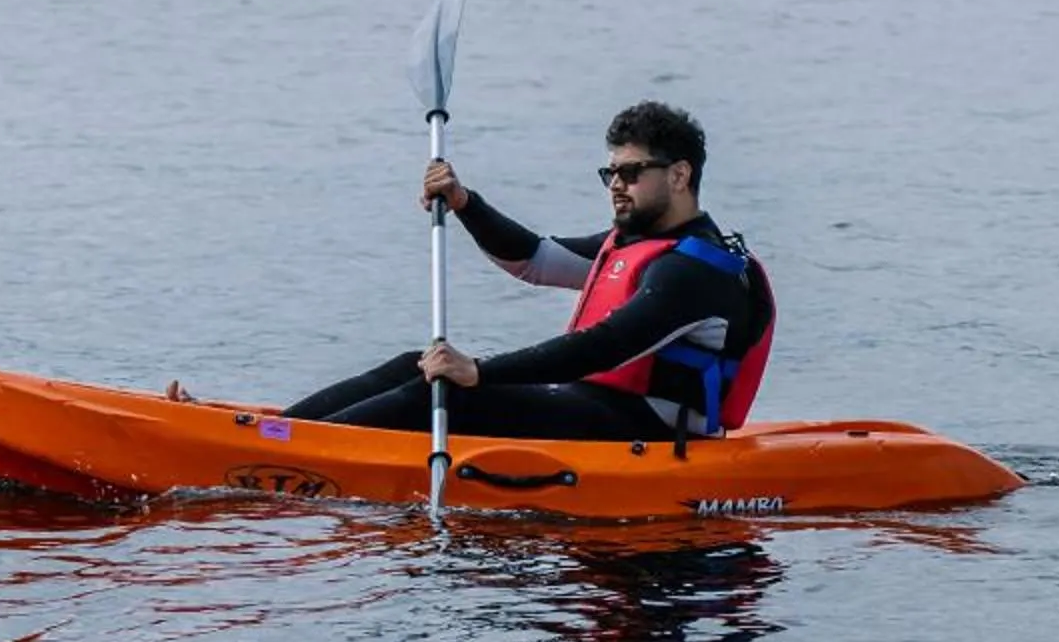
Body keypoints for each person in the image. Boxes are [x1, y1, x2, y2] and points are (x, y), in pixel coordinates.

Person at [279, 100, 776, 441]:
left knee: (447, 388)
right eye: (611, 173)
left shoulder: (694, 272)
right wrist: (464, 202)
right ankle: (276, 434)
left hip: (650, 430)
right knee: (419, 363)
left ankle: (275, 454)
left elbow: (602, 347)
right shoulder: (636, 246)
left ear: (680, 174)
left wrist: (480, 371)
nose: (615, 185)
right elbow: (533, 259)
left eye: (630, 173)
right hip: (597, 404)